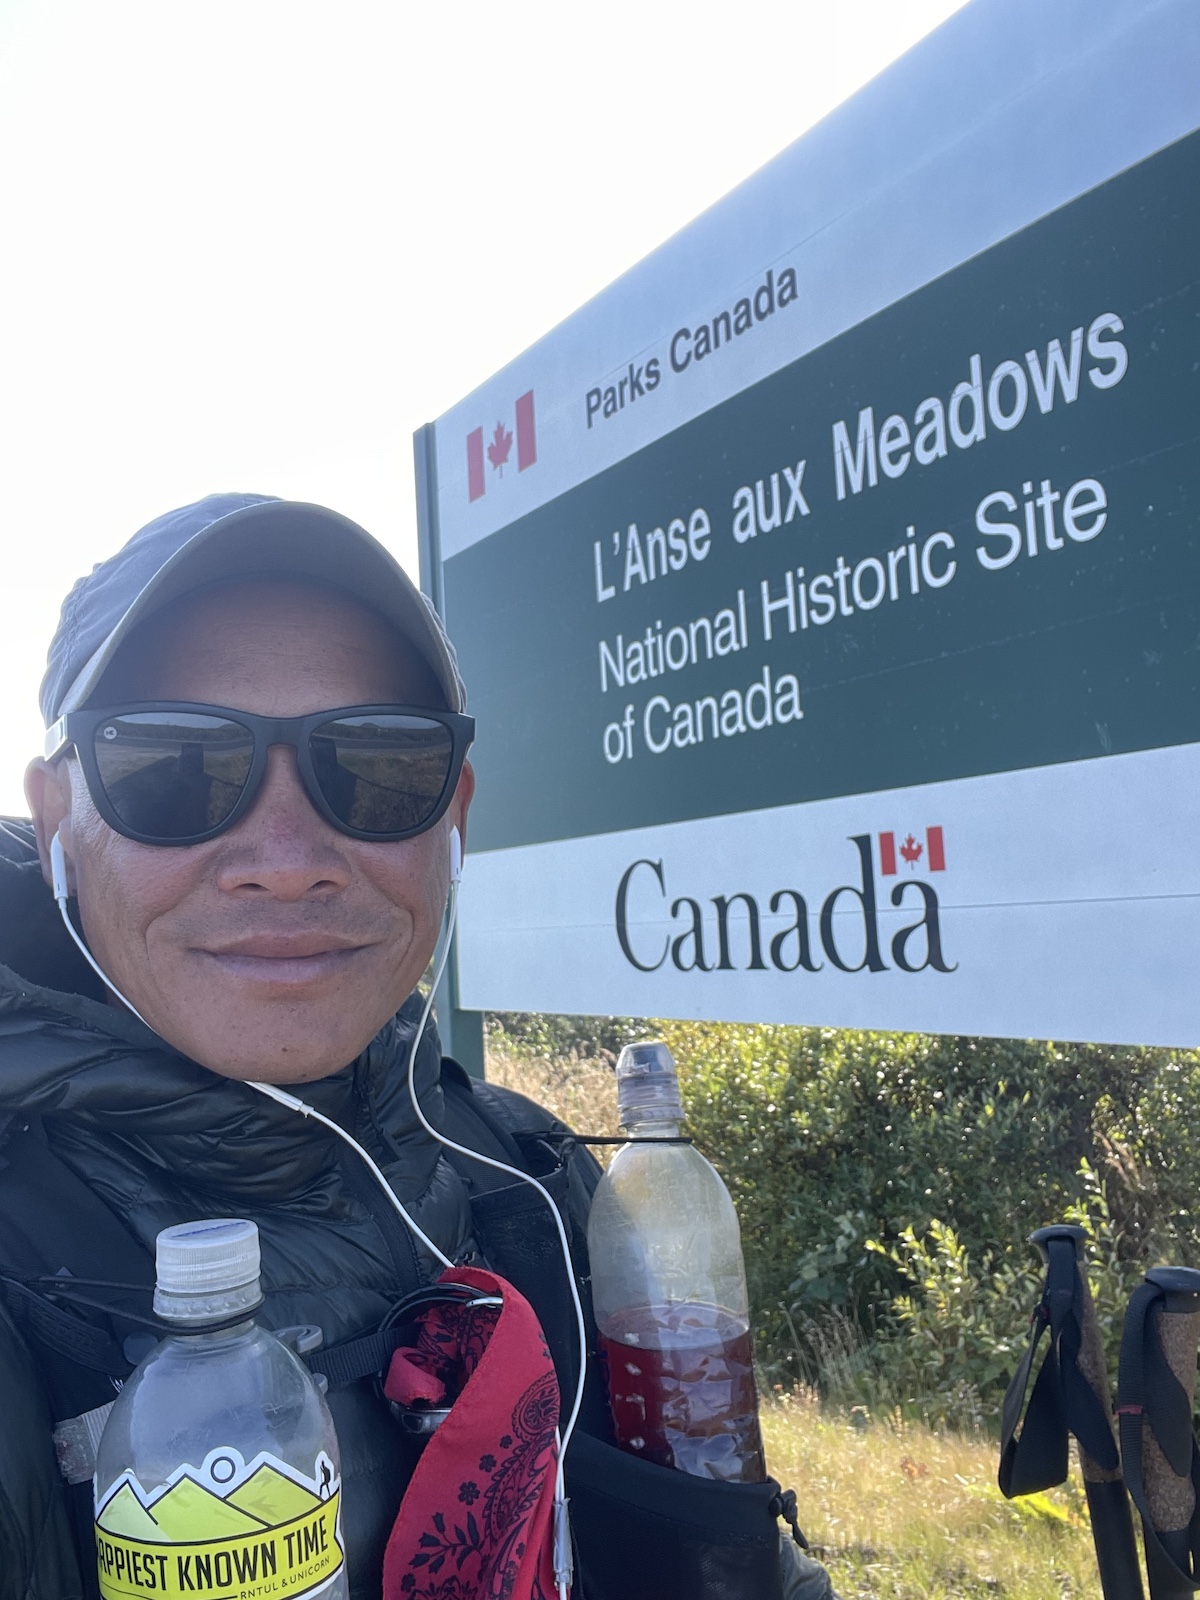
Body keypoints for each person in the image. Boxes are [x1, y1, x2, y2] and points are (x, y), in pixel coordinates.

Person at [0, 493, 831, 1600]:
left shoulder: (534, 1186)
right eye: (173, 766)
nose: (288, 858)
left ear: (454, 822)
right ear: (57, 818)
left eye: (375, 768)